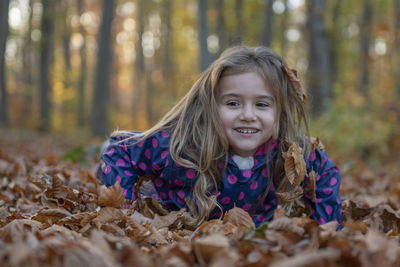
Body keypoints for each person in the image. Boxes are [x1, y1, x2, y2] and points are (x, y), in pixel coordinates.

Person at [100, 46, 342, 227]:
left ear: (279, 111)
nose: (248, 115)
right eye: (233, 103)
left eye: (261, 104)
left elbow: (324, 172)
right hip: (174, 223)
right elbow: (119, 148)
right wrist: (128, 215)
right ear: (212, 106)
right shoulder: (182, 145)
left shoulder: (286, 152)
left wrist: (326, 229)